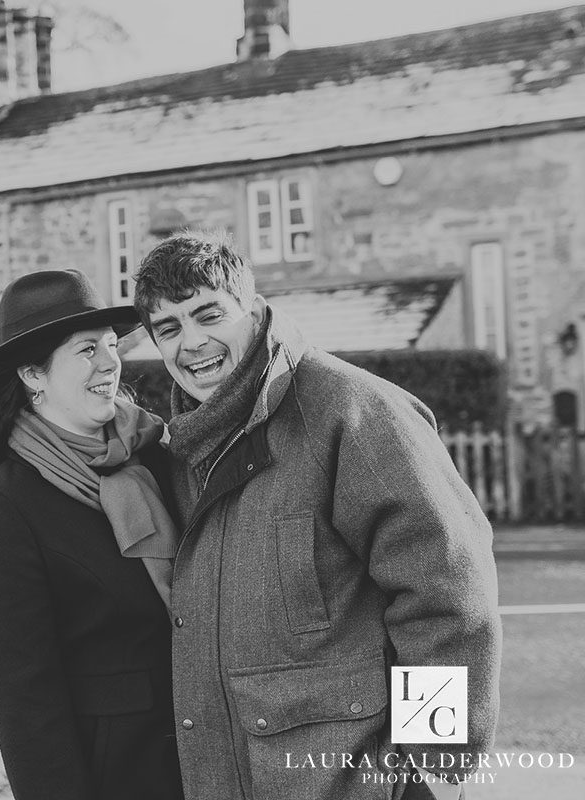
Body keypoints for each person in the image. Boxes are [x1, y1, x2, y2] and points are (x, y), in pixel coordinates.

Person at [132, 230, 502, 800]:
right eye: (170, 328)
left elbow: (446, 589)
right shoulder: (181, 447)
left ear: (252, 312)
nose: (193, 342)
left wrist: (436, 764)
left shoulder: (354, 412)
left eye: (209, 315)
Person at [0, 268, 184, 800]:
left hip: (211, 756)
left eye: (111, 345)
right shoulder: (8, 506)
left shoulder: (159, 452)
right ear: (33, 374)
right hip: (118, 776)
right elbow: (22, 698)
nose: (111, 362)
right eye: (86, 350)